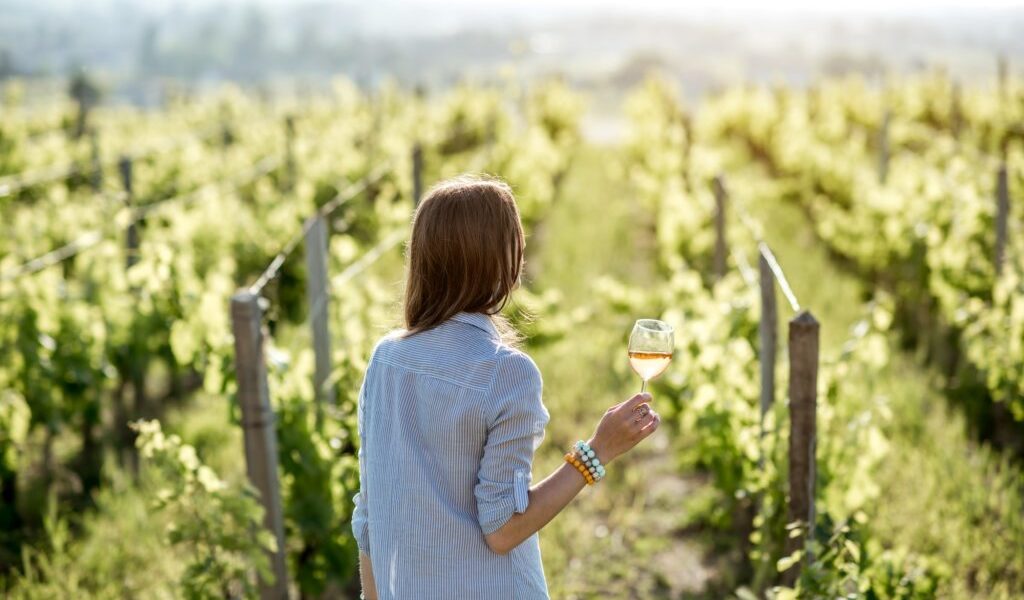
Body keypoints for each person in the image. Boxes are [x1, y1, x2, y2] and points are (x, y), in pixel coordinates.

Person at [352, 175, 660, 599]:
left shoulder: (384, 359)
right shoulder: (507, 373)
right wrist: (597, 451)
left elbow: (368, 515)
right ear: (503, 261)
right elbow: (503, 529)